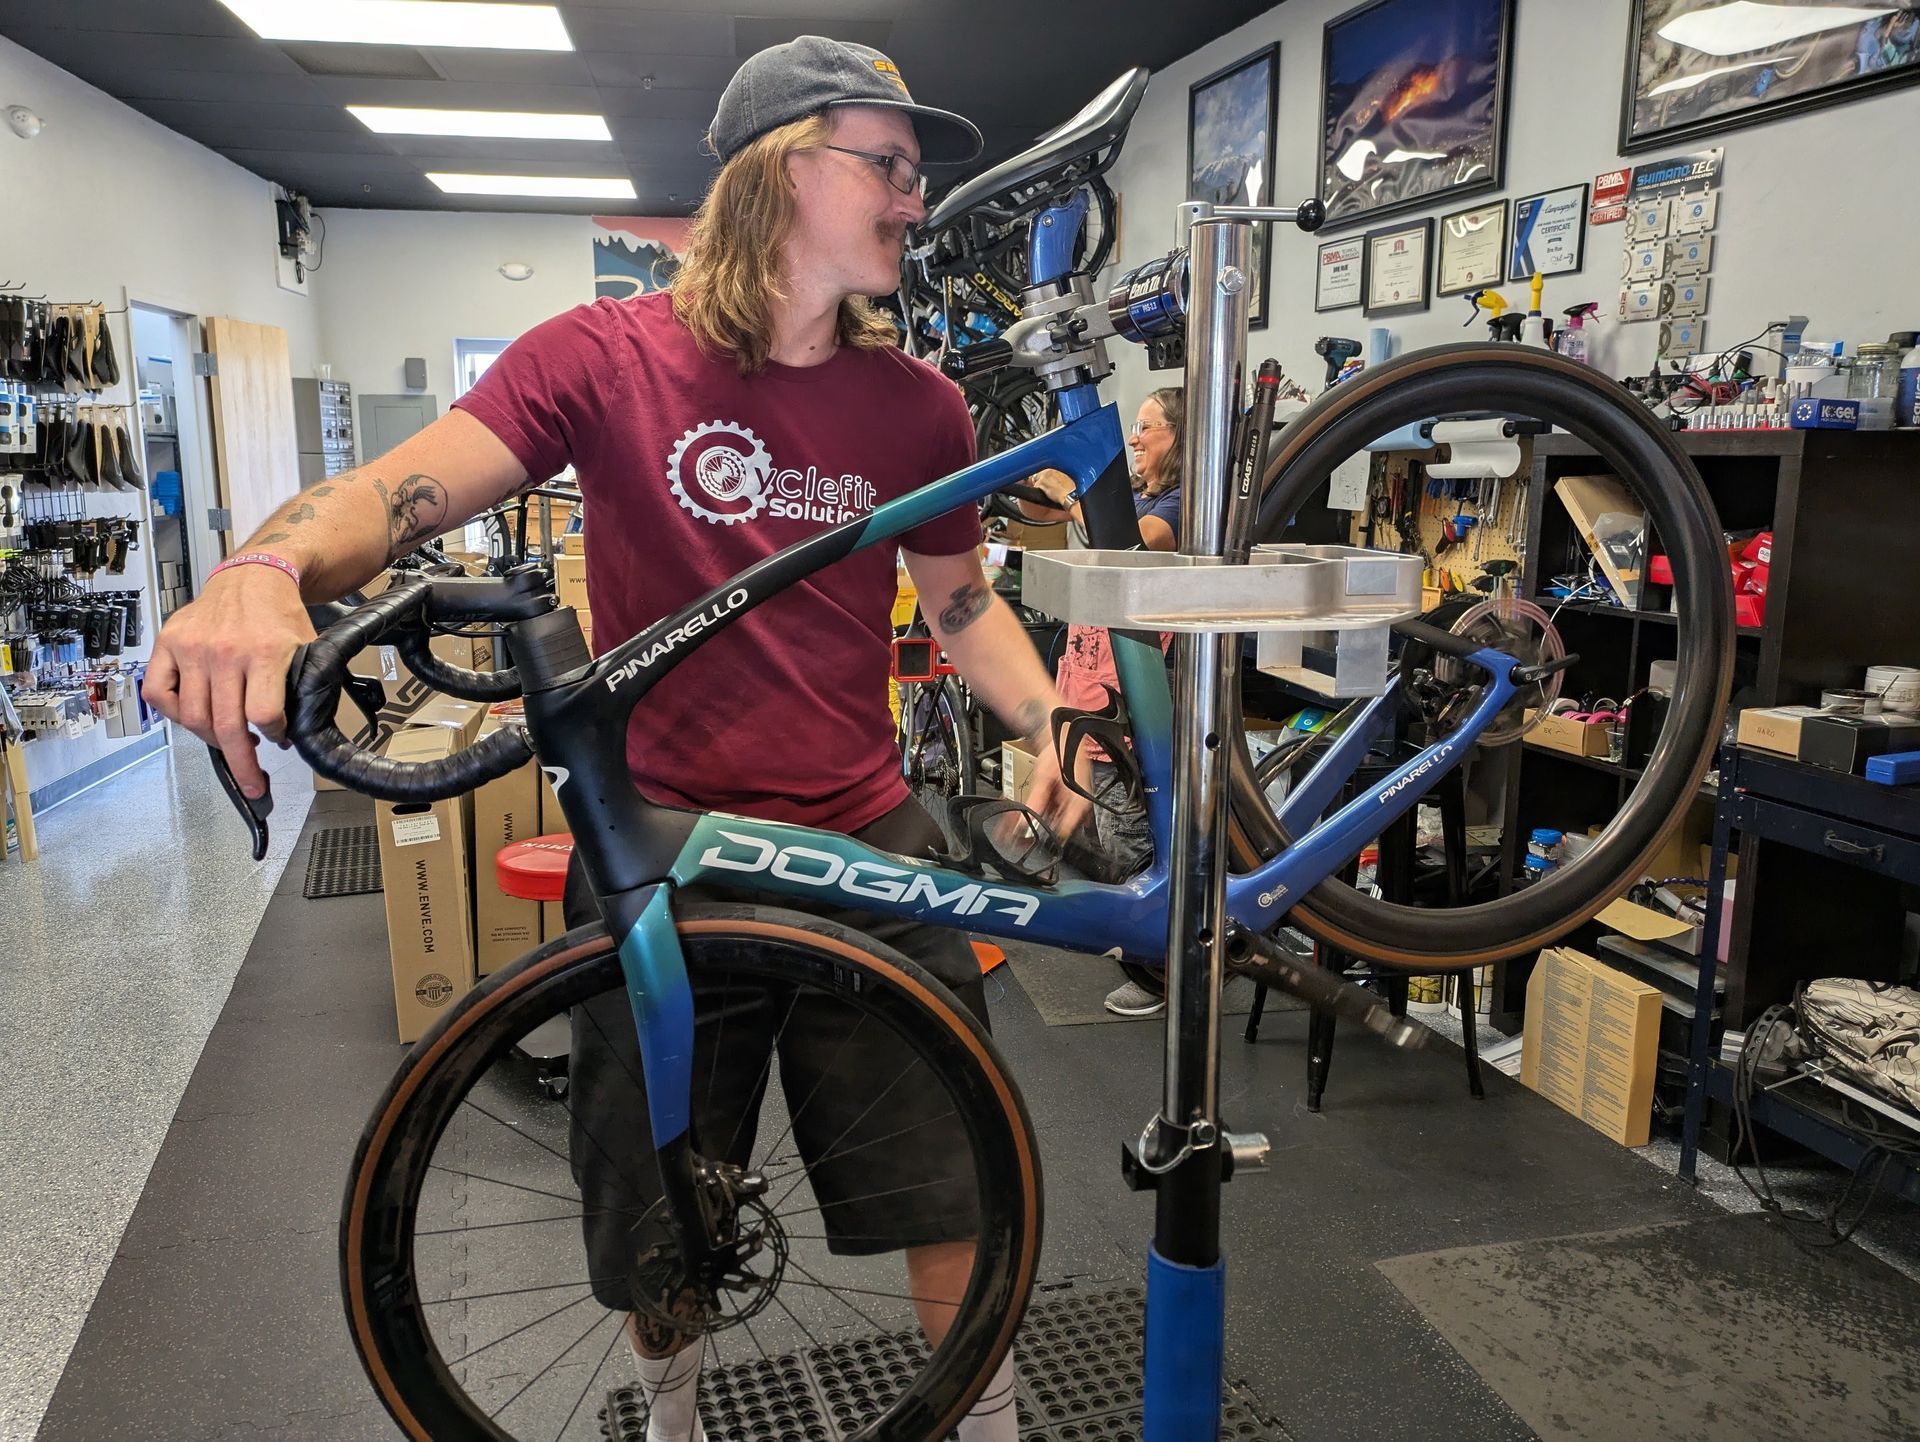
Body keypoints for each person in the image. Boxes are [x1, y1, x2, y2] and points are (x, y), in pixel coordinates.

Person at [144, 35, 1088, 1442]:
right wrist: (262, 569)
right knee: (661, 1216)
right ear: (782, 171)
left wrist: (1050, 716)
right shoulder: (603, 358)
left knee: (957, 1177)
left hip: (861, 832)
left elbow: (960, 606)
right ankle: (673, 1417)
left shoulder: (920, 406)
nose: (914, 198)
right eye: (886, 165)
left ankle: (988, 1426)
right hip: (664, 845)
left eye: (914, 172)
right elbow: (397, 491)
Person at [1021, 388, 1184, 1017]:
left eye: (1146, 427)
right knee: (1099, 835)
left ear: (1179, 437)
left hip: (1129, 703)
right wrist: (1040, 479)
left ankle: (1163, 972)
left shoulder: (1178, 506)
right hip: (1089, 686)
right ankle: (1145, 949)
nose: (1134, 439)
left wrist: (1071, 492)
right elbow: (1053, 517)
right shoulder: (1138, 497)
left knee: (1131, 843)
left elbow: (1128, 547)